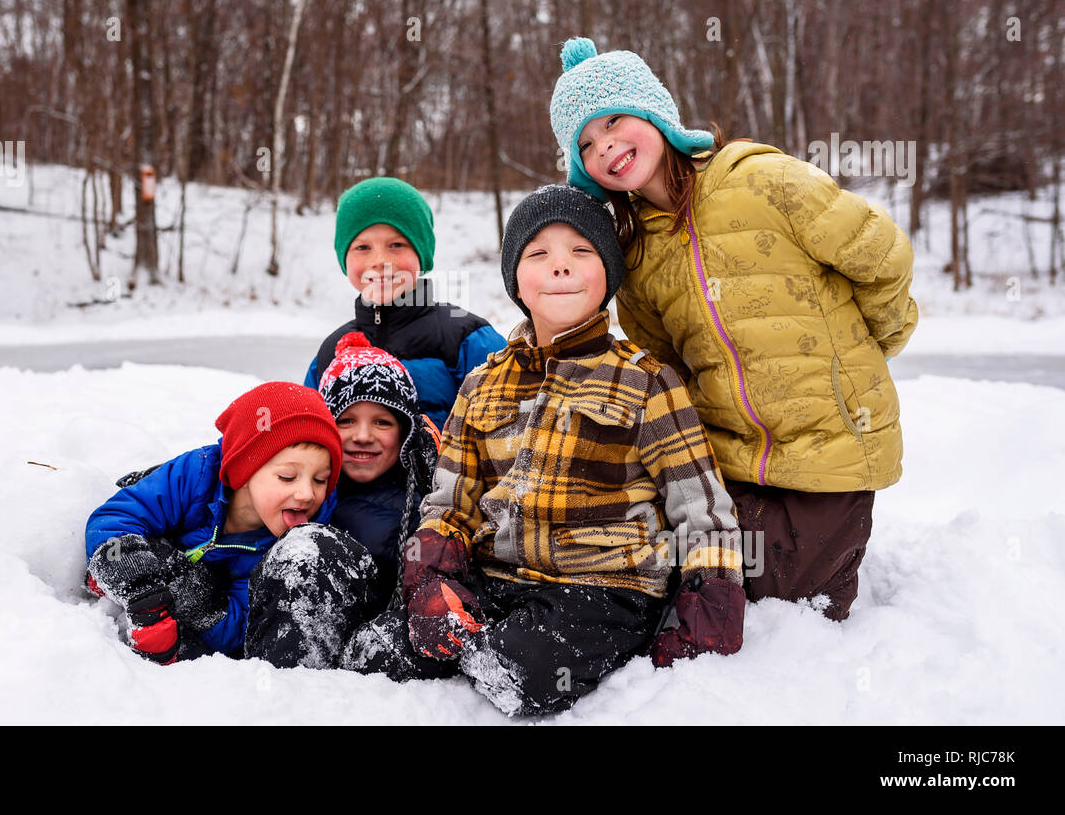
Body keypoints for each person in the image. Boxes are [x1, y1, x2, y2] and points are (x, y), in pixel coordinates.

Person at [338, 185, 746, 716]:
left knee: (517, 668)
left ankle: (490, 657)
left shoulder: (647, 382)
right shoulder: (484, 384)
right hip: (498, 578)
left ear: (608, 277)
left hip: (601, 587)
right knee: (378, 652)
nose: (561, 268)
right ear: (516, 282)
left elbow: (703, 510)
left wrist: (705, 616)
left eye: (581, 252)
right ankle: (467, 639)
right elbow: (449, 503)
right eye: (539, 254)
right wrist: (432, 579)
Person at [550, 37, 919, 621]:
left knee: (781, 597)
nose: (607, 146)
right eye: (587, 144)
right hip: (730, 458)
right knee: (675, 568)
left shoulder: (762, 180)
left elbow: (881, 255)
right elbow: (662, 365)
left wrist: (870, 348)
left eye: (615, 120)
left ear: (654, 113)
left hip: (831, 448)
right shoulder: (639, 254)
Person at [83, 382, 342, 663]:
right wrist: (130, 570)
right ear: (245, 470)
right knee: (134, 539)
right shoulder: (197, 474)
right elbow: (114, 518)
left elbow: (239, 628)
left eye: (320, 479)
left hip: (210, 582)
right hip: (169, 529)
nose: (307, 494)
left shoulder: (284, 549)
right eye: (288, 477)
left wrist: (198, 600)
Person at [242, 332, 442, 669]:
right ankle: (285, 688)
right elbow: (232, 467)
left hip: (375, 637)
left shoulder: (429, 493)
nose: (363, 436)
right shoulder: (294, 477)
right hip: (298, 633)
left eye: (382, 422)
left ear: (406, 431)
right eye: (346, 420)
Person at [304, 175, 507, 430]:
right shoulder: (331, 351)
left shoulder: (468, 339)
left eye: (396, 245)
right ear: (344, 259)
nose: (379, 260)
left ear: (422, 254)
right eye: (362, 248)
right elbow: (308, 441)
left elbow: (508, 437)